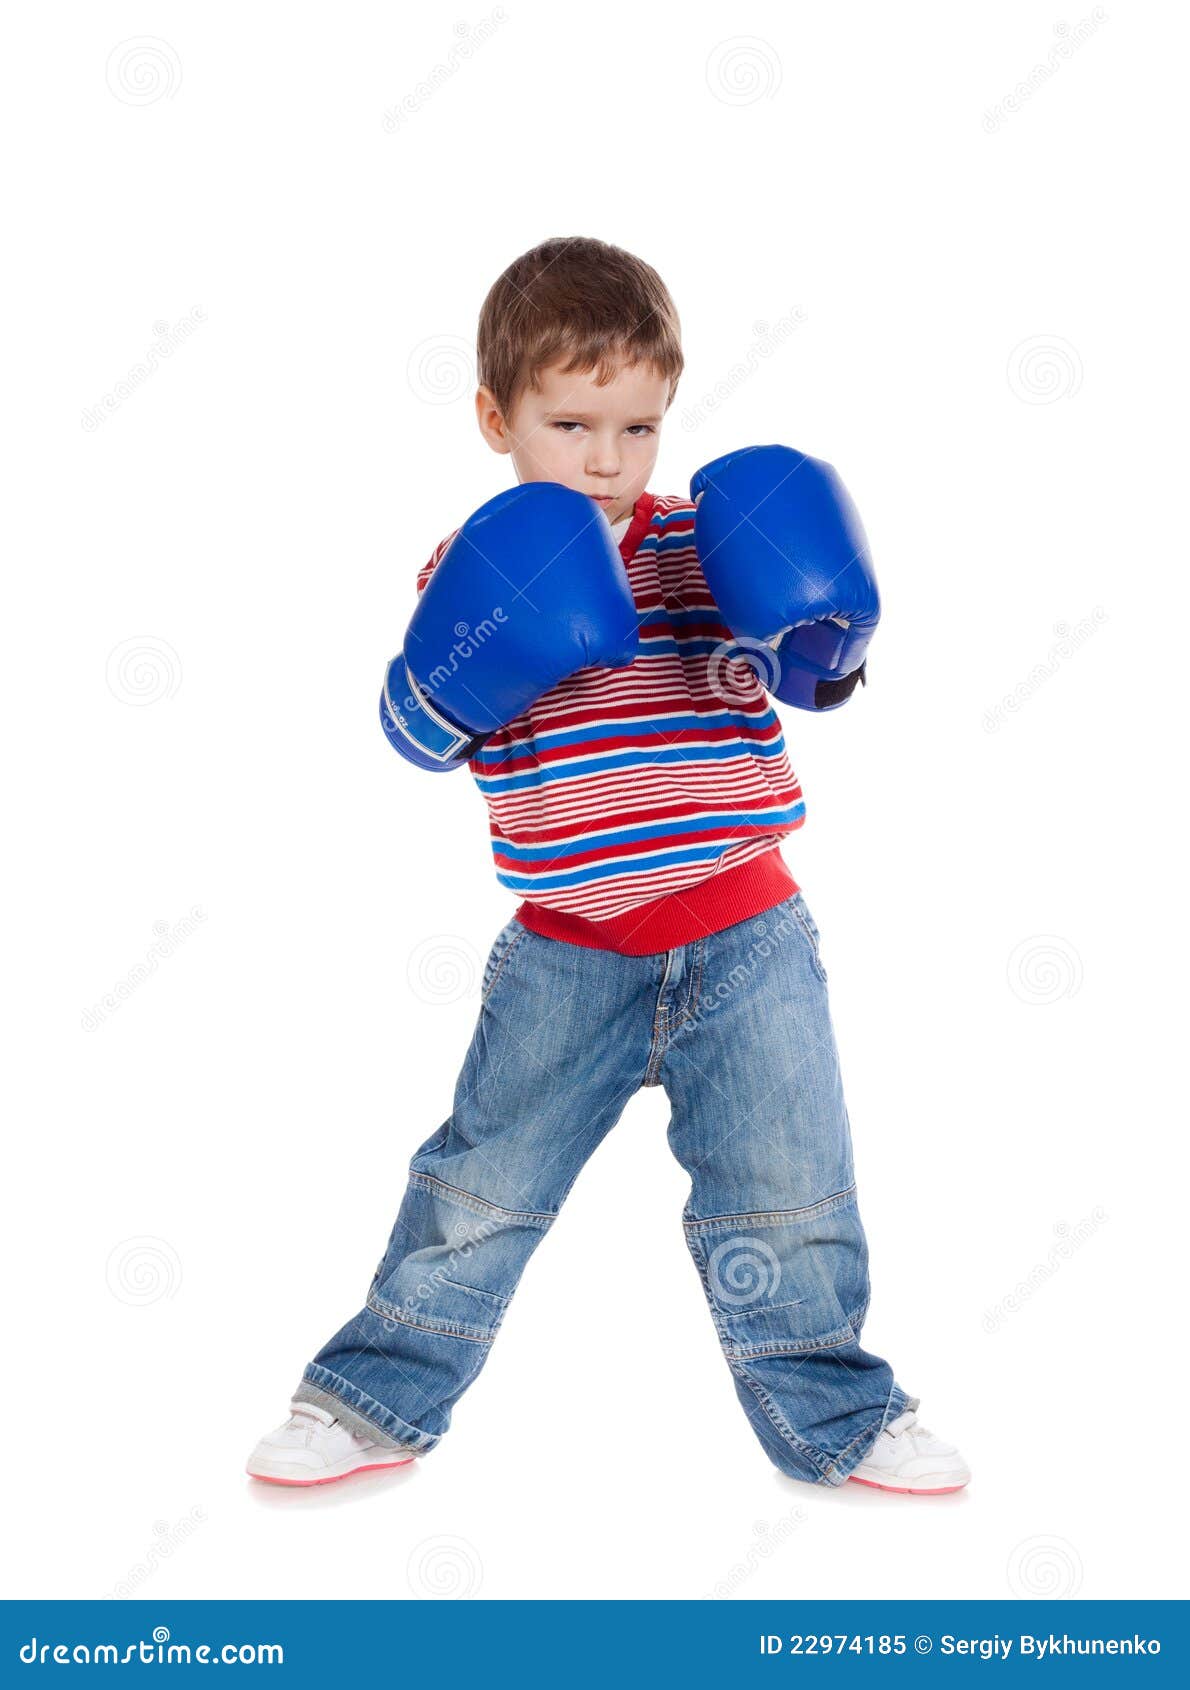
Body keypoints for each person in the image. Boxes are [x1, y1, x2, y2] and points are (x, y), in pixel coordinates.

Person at [246, 236, 970, 1496]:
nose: (603, 459)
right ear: (494, 417)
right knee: (478, 1190)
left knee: (788, 1196)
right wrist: (479, 655)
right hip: (564, 955)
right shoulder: (472, 570)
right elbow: (414, 733)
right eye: (569, 422)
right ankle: (367, 1399)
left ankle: (842, 1419)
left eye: (636, 428)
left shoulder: (707, 544)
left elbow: (819, 678)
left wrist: (829, 633)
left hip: (747, 939)